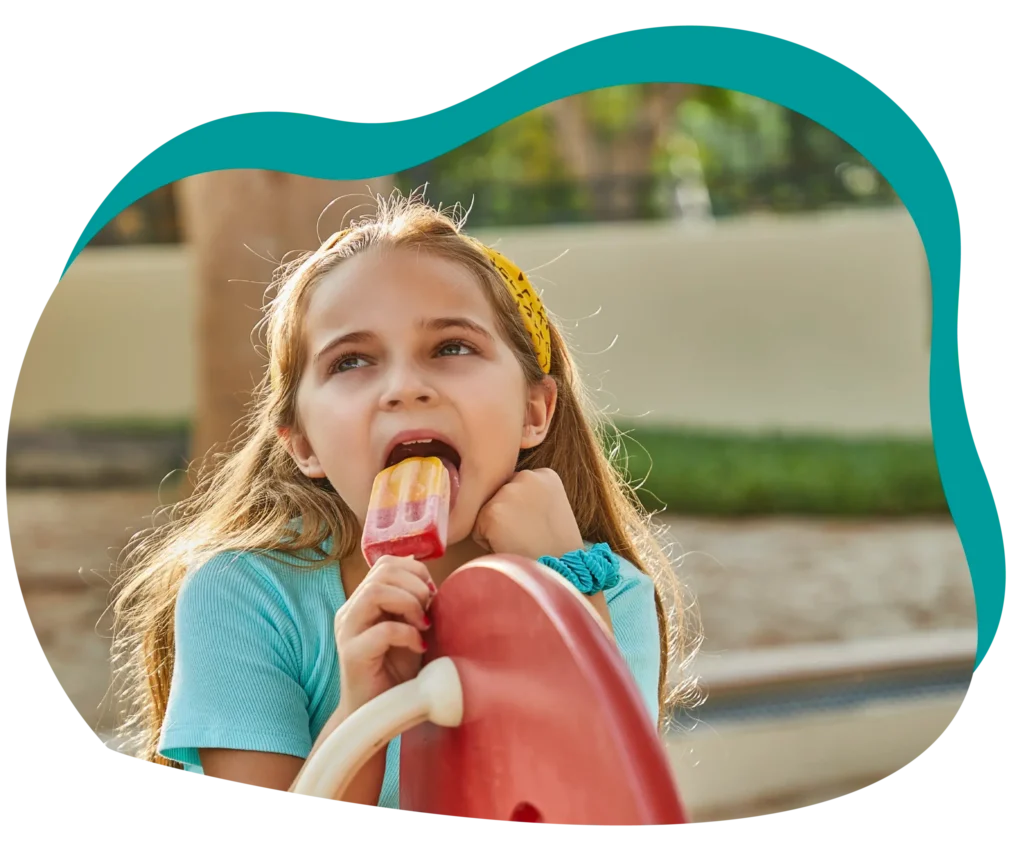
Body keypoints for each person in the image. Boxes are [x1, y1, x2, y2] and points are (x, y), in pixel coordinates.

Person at [109, 189, 700, 808]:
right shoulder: (246, 594)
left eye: (450, 348)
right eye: (353, 360)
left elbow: (605, 811)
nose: (405, 387)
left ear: (534, 411)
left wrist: (563, 583)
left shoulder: (612, 593)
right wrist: (363, 711)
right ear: (304, 444)